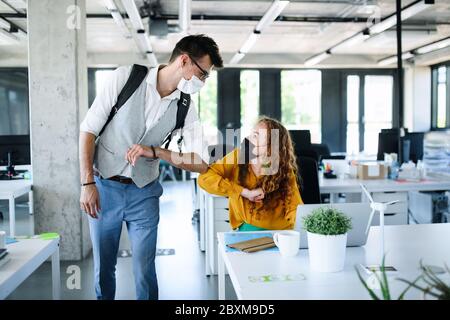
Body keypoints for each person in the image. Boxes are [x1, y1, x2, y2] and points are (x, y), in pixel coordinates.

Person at [79, 34, 223, 300]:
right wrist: (87, 183)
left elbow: (201, 164)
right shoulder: (126, 78)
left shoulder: (185, 107)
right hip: (104, 188)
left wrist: (157, 151)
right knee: (103, 270)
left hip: (144, 193)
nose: (203, 82)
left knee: (145, 269)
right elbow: (88, 131)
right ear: (184, 60)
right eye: (203, 74)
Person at [198, 117, 303, 231]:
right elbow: (204, 178)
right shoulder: (238, 156)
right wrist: (244, 192)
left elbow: (294, 208)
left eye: (256, 135)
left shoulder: (282, 168)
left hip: (282, 231)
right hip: (249, 229)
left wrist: (305, 226)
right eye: (252, 134)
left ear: (270, 146)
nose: (248, 139)